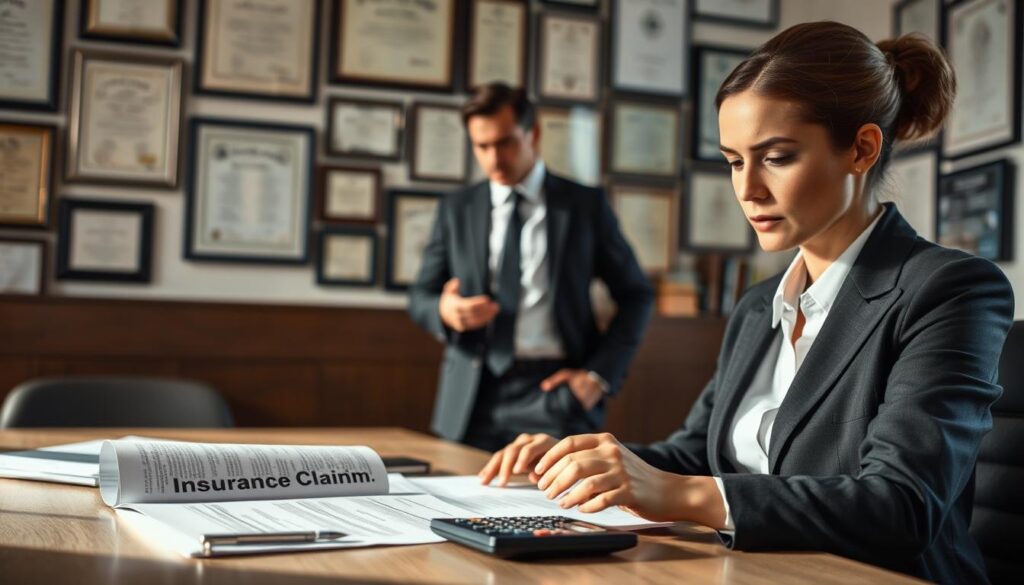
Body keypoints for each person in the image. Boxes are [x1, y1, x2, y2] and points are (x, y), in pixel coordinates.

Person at [478, 22, 1014, 584]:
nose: (747, 189)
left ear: (861, 149)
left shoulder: (949, 290)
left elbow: (901, 506)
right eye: (734, 161)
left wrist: (679, 493)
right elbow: (696, 456)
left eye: (776, 157)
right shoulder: (760, 305)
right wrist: (578, 462)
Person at [409, 83, 654, 452]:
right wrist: (445, 311)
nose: (494, 159)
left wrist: (597, 376)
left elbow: (637, 294)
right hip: (471, 399)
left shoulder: (584, 206)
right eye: (482, 147)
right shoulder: (456, 209)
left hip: (555, 396)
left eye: (505, 142)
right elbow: (420, 296)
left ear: (533, 133)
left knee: (561, 510)